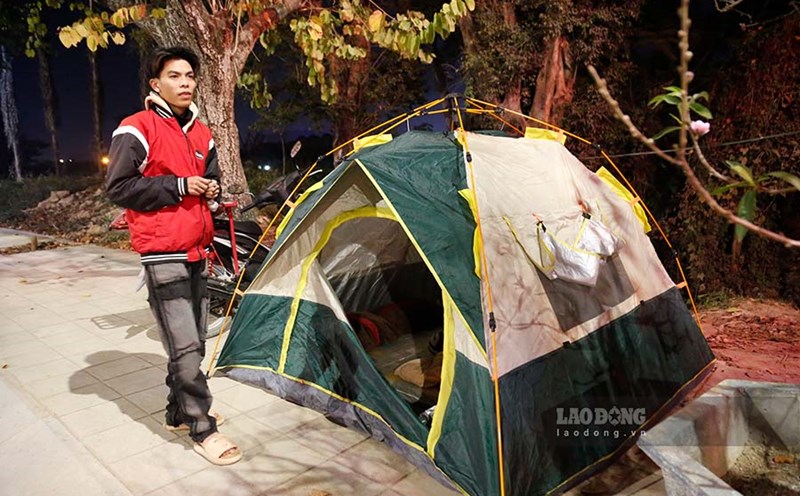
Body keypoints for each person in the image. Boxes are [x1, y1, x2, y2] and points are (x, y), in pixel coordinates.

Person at [106, 46, 241, 466]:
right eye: (175, 76)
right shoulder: (137, 128)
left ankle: (177, 412)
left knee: (193, 342)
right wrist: (180, 186)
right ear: (156, 83)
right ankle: (203, 427)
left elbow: (212, 178)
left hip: (197, 250)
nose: (185, 83)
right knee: (185, 346)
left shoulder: (203, 133)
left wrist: (212, 193)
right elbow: (119, 187)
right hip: (162, 253)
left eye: (190, 76)